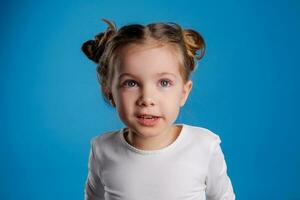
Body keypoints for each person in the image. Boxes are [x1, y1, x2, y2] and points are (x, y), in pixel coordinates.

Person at [81, 18, 235, 200]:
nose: (147, 99)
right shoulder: (102, 149)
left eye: (164, 82)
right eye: (131, 83)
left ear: (184, 93)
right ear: (110, 92)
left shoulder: (204, 147)